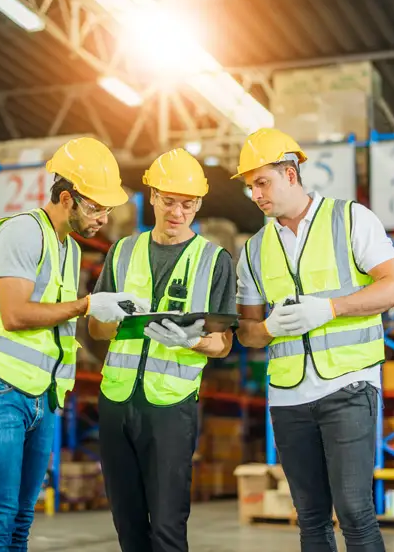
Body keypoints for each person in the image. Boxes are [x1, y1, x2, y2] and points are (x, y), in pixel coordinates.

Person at [0, 137, 150, 552]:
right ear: (67, 198)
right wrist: (85, 304)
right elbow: (15, 314)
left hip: (42, 394)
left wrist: (107, 313)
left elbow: (63, 318)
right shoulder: (22, 231)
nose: (103, 217)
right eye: (95, 207)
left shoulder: (71, 249)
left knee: (23, 519)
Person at [233, 128, 394, 552]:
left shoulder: (351, 219)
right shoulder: (254, 250)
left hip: (349, 384)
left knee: (354, 511)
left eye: (263, 182)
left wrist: (330, 309)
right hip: (289, 397)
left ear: (290, 174)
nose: (256, 194)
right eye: (250, 186)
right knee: (310, 518)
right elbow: (247, 332)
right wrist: (269, 329)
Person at [88, 148, 238, 552]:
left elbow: (223, 343)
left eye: (187, 205)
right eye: (168, 201)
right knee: (128, 524)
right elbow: (97, 330)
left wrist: (194, 340)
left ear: (199, 205)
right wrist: (108, 314)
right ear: (152, 196)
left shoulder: (214, 261)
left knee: (168, 527)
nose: (177, 212)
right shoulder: (121, 252)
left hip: (171, 406)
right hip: (116, 400)